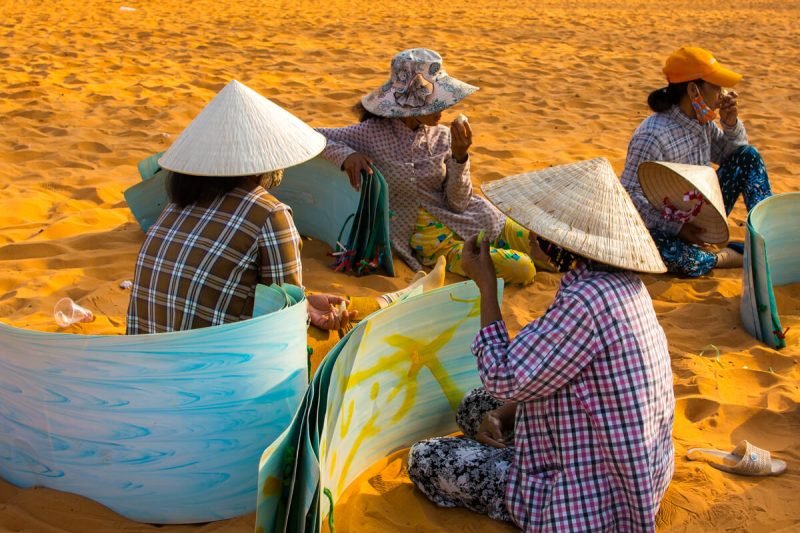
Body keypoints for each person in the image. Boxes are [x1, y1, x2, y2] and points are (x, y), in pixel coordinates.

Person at [407, 158, 675, 531]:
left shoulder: (585, 303)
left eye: (539, 230)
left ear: (561, 242)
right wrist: (504, 413)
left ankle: (526, 492)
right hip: (634, 470)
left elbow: (503, 376)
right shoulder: (617, 283)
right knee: (475, 407)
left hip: (591, 497)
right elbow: (556, 373)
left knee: (425, 458)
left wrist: (486, 285)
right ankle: (512, 448)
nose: (531, 234)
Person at [126, 80, 443, 335]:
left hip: (151, 367)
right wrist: (303, 310)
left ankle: (392, 300)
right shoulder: (269, 213)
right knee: (337, 333)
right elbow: (283, 323)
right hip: (214, 374)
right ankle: (394, 302)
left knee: (320, 305)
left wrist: (305, 301)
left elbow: (246, 292)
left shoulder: (178, 205)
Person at [317, 48, 563, 286]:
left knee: (553, 248)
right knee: (523, 268)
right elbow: (311, 137)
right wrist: (346, 155)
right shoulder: (370, 134)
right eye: (436, 103)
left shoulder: (443, 137)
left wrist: (460, 156)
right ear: (409, 106)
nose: (444, 110)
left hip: (480, 219)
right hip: (441, 246)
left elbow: (458, 202)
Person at [621, 46, 773, 277]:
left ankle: (768, 237)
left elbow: (733, 156)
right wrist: (677, 227)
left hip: (704, 212)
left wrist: (730, 124)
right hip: (668, 227)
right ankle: (725, 258)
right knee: (671, 256)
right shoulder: (652, 135)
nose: (722, 94)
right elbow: (630, 197)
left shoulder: (703, 123)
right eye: (715, 87)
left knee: (749, 156)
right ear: (693, 90)